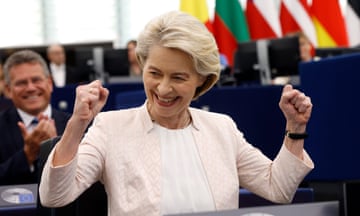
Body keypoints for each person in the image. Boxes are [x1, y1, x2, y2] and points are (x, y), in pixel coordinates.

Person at [39, 11, 314, 216]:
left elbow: (278, 188)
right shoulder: (111, 127)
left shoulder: (222, 128)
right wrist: (77, 125)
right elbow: (55, 196)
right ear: (143, 66)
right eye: (154, 73)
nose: (163, 88)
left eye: (179, 77)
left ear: (201, 79)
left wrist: (295, 128)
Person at [0, 50, 71, 185]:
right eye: (21, 83)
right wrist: (27, 155)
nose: (31, 88)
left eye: (36, 80)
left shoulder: (75, 125)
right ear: (8, 90)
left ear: (50, 83)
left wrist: (57, 151)